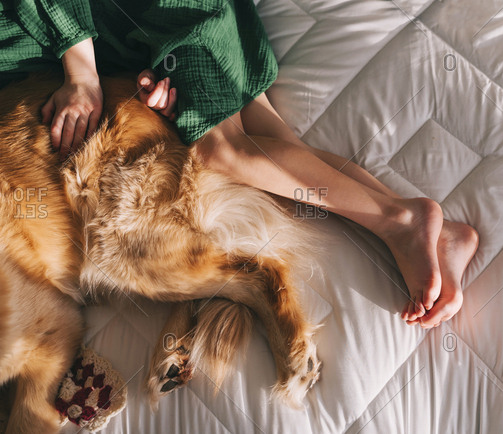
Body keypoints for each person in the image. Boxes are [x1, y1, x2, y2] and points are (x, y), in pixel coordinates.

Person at [0, 0, 478, 328]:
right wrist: (140, 74)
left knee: (224, 152)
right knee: (272, 151)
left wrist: (81, 72)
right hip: (147, 34)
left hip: (172, 13)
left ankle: (401, 221)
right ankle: (441, 234)